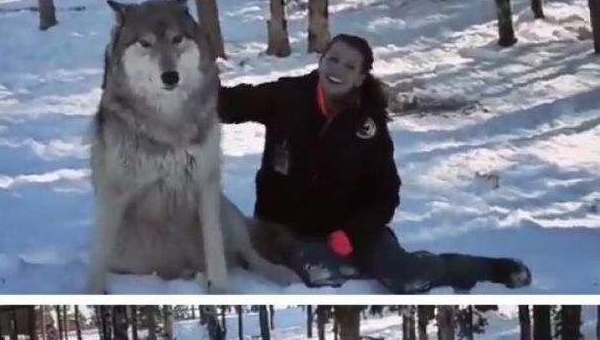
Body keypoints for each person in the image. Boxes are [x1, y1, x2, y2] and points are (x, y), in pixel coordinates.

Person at [218, 32, 532, 293]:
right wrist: (189, 71)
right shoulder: (287, 95)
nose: (337, 69)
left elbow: (385, 194)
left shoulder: (369, 124)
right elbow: (226, 104)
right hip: (285, 228)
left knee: (406, 277)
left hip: (354, 228)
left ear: (360, 78)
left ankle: (489, 268)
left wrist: (352, 234)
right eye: (333, 59)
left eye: (350, 66)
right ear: (320, 60)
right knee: (317, 274)